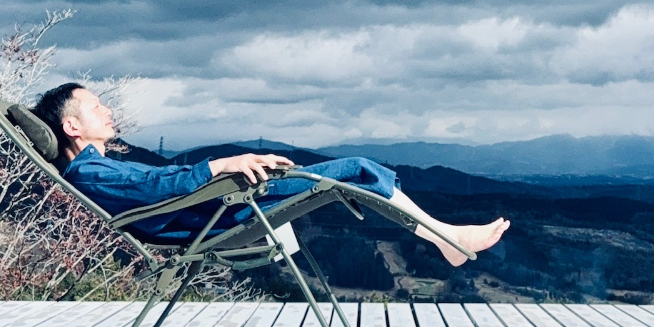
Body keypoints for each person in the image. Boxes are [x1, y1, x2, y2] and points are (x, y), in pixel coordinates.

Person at [32, 83, 508, 266]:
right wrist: (223, 166)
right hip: (219, 216)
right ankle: (447, 238)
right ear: (72, 126)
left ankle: (446, 237)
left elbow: (159, 185)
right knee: (358, 168)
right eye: (96, 106)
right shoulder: (91, 172)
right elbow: (157, 186)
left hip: (218, 206)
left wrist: (234, 170)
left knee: (349, 172)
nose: (107, 110)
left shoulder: (99, 166)